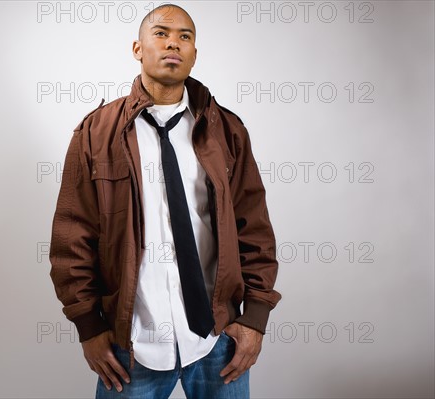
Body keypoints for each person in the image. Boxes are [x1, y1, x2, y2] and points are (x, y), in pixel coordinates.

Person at [49, 4, 281, 398]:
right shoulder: (95, 132)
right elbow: (73, 236)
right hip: (131, 346)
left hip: (217, 339)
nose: (173, 42)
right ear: (137, 48)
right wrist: (89, 326)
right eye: (161, 33)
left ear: (194, 53)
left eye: (185, 36)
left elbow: (254, 228)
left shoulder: (228, 131)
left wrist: (255, 319)